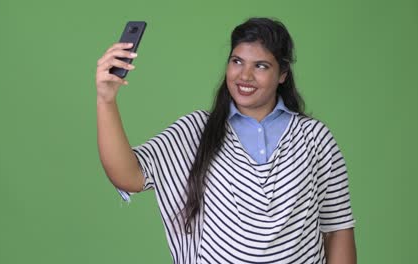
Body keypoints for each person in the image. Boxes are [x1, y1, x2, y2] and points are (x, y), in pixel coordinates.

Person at [96, 17, 356, 264]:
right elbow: (128, 176)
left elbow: (338, 229)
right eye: (237, 61)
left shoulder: (315, 138)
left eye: (261, 66)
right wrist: (106, 100)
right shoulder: (197, 130)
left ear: (283, 74)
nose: (245, 75)